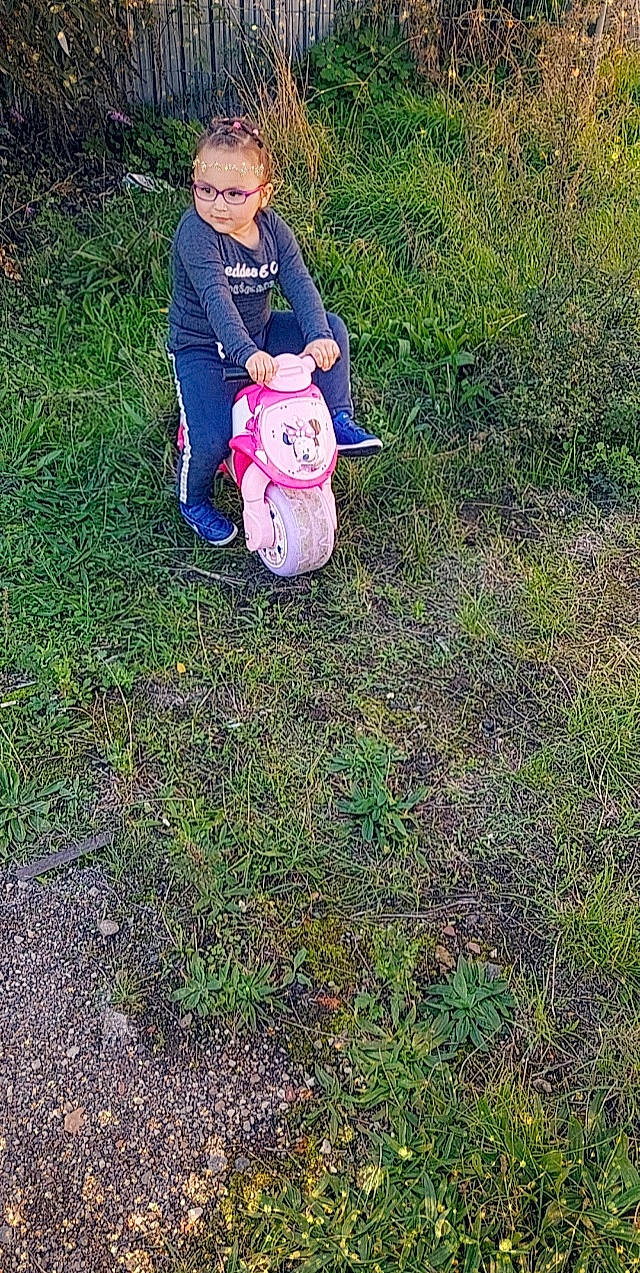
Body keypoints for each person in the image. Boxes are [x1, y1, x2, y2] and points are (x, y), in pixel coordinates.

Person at [168, 115, 382, 546]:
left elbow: (300, 285)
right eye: (205, 191)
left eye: (233, 194)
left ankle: (338, 418)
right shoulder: (197, 234)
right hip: (203, 349)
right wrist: (246, 355)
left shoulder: (273, 231)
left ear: (263, 194)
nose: (218, 205)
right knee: (213, 439)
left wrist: (317, 335)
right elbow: (216, 301)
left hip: (259, 335)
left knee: (335, 330)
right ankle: (193, 500)